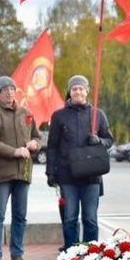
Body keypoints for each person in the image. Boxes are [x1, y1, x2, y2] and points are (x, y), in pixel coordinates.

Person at [46, 75, 113, 248]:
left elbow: (109, 140)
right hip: (67, 176)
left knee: (90, 218)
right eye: (74, 88)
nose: (78, 92)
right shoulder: (59, 116)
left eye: (81, 88)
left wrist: (99, 141)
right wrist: (50, 172)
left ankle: (91, 255)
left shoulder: (98, 114)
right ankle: (71, 252)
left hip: (92, 176)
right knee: (70, 217)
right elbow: (52, 146)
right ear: (69, 92)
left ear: (87, 91)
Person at [0, 76, 41, 260]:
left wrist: (35, 144)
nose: (9, 92)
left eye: (11, 89)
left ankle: (17, 256)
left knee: (20, 216)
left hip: (23, 173)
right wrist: (14, 151)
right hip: (1, 174)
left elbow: (36, 136)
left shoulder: (26, 113)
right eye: (4, 90)